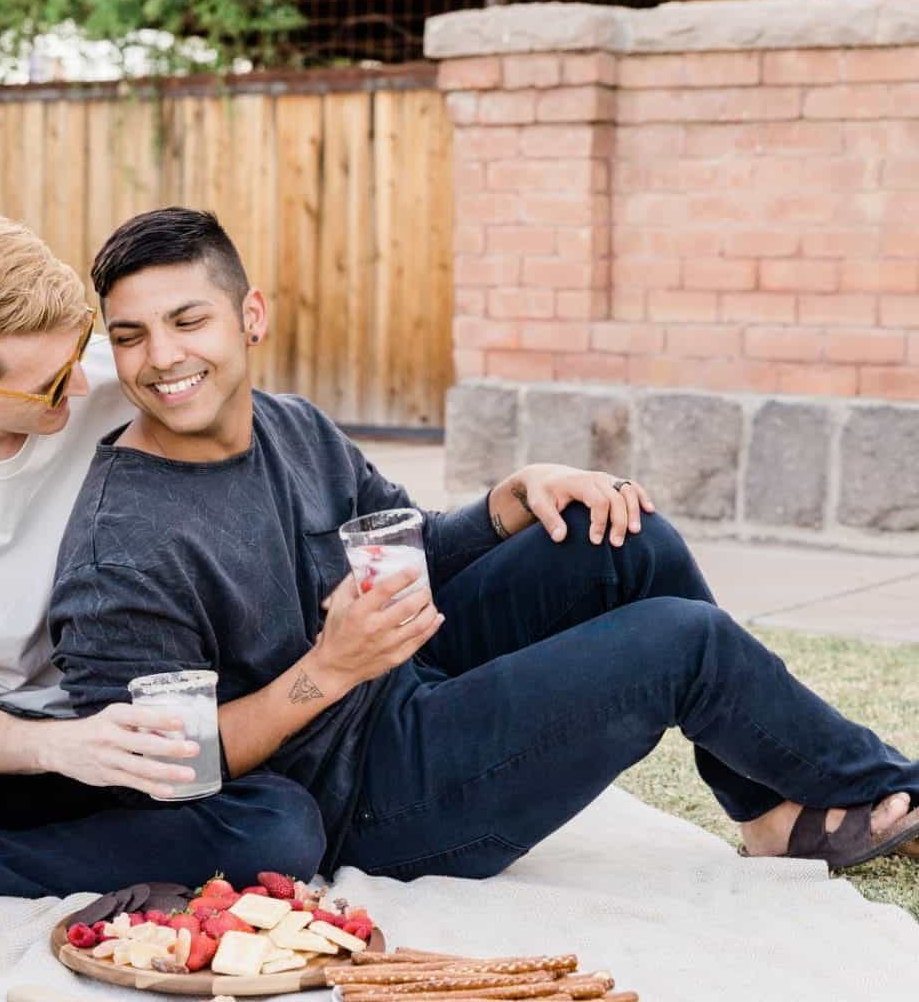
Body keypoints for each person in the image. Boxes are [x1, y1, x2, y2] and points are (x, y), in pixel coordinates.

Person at [47, 207, 919, 887]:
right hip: (367, 799)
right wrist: (331, 669)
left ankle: (768, 813)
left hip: (405, 679)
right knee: (681, 645)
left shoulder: (291, 426)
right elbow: (162, 769)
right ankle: (893, 785)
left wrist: (511, 497)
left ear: (250, 317)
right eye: (129, 336)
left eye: (187, 321)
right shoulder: (122, 546)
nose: (161, 358)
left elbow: (404, 544)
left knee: (618, 534)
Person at [0, 213, 325, 898]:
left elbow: (230, 412)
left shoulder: (110, 379)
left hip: (113, 734)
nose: (82, 387)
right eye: (45, 384)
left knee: (282, 827)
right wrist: (59, 745)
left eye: (80, 353)